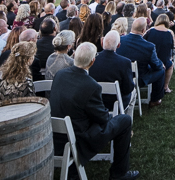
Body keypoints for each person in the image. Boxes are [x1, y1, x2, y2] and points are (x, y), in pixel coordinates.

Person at [51, 42, 138, 180]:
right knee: (124, 120)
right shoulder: (91, 85)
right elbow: (103, 118)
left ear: (74, 56)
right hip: (79, 138)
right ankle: (119, 174)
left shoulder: (60, 75)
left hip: (56, 136)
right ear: (92, 62)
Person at [117, 18, 165, 107]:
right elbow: (156, 65)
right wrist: (161, 64)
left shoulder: (119, 40)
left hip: (121, 76)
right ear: (144, 30)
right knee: (161, 70)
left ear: (131, 27)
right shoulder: (148, 46)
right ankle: (155, 99)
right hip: (139, 78)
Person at [89, 30, 135, 112]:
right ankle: (126, 122)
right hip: (116, 102)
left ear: (102, 43)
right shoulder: (124, 62)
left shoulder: (92, 60)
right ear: (118, 45)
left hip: (95, 101)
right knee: (134, 92)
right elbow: (128, 88)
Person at [145, 14, 175, 94]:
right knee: (170, 65)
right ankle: (165, 87)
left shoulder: (150, 31)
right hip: (163, 60)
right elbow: (173, 47)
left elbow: (142, 41)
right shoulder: (170, 33)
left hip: (149, 60)